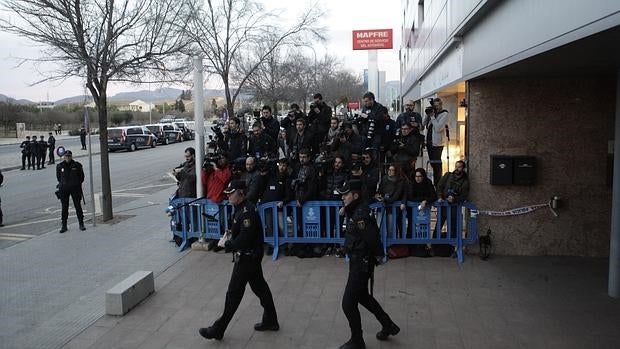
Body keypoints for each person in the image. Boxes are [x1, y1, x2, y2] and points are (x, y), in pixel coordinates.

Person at [199, 180, 279, 341]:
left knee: (233, 294)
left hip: (247, 257)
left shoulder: (247, 211)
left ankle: (218, 328)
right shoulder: (240, 209)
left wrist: (228, 244)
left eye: (231, 192)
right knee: (260, 288)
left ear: (241, 193)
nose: (228, 195)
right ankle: (271, 320)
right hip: (250, 256)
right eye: (227, 193)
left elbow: (246, 237)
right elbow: (240, 231)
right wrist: (231, 234)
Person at [337, 180, 399, 349]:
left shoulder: (360, 215)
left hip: (361, 264)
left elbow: (372, 238)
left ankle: (357, 341)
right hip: (358, 260)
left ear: (355, 195)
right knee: (363, 297)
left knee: (348, 304)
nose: (343, 198)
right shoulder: (355, 210)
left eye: (346, 195)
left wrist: (379, 256)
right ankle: (388, 325)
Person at [436, 160, 469, 239]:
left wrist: (454, 199)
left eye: (459, 167)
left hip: (454, 208)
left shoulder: (465, 181)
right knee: (438, 227)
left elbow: (464, 196)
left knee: (453, 229)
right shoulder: (448, 175)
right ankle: (435, 246)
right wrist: (440, 197)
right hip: (443, 206)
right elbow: (439, 186)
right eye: (456, 166)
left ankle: (451, 247)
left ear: (463, 168)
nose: (457, 169)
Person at [56, 150, 85, 233]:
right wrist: (64, 184)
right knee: (64, 207)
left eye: (69, 156)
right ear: (64, 157)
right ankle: (64, 225)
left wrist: (76, 184)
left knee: (77, 206)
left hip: (75, 189)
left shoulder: (77, 165)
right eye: (66, 156)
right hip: (64, 189)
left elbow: (82, 177)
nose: (67, 157)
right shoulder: (60, 166)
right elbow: (59, 178)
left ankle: (81, 223)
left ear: (71, 156)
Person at [424, 98, 449, 184]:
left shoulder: (444, 114)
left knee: (437, 164)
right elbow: (424, 124)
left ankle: (438, 184)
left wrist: (432, 116)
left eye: (437, 105)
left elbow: (438, 128)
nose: (436, 107)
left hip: (437, 144)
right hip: (429, 142)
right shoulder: (433, 113)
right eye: (435, 106)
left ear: (441, 105)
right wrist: (428, 114)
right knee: (432, 164)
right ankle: (435, 183)